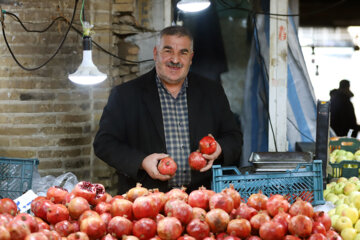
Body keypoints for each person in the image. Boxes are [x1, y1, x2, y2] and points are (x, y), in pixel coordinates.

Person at [93, 26, 243, 194]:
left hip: (201, 200)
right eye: (168, 51)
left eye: (183, 52)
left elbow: (234, 137)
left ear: (191, 58)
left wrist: (219, 149)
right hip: (146, 202)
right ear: (156, 53)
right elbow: (104, 143)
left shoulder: (212, 92)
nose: (175, 59)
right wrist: (141, 161)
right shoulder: (125, 95)